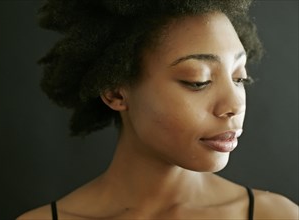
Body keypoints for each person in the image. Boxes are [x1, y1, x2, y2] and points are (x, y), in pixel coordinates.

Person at [17, 0, 298, 219]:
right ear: (115, 92)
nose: (234, 105)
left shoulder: (276, 216)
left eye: (239, 77)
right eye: (198, 81)